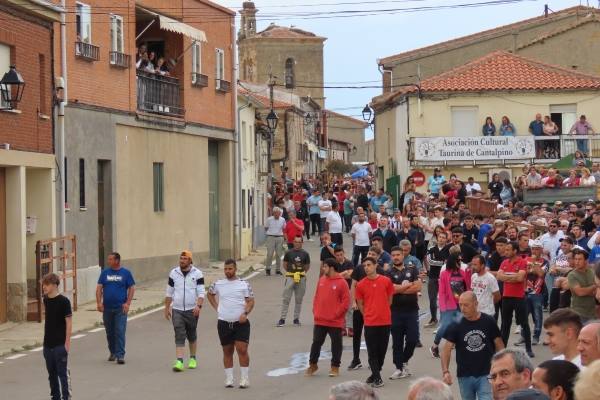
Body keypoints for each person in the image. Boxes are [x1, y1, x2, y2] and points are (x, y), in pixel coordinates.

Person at [441, 292, 504, 400]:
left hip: (487, 373)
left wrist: (501, 367)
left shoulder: (488, 321)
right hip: (465, 375)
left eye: (466, 305)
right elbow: (446, 348)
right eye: (460, 304)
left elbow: (499, 345)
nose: (462, 308)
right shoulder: (456, 323)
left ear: (476, 304)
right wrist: (445, 371)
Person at [206, 259, 254, 388]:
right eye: (226, 269)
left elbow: (250, 301)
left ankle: (244, 378)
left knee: (242, 349)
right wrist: (217, 308)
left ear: (235, 269)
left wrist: (246, 313)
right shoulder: (218, 284)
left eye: (230, 269)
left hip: (240, 323)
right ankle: (229, 378)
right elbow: (209, 294)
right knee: (227, 351)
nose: (228, 271)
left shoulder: (244, 284)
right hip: (224, 323)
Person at [305, 258, 350, 378]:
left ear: (331, 268)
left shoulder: (342, 282)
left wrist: (336, 314)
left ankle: (335, 367)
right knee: (316, 343)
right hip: (320, 319)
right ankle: (313, 364)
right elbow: (316, 297)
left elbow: (345, 303)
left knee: (336, 344)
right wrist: (315, 310)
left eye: (324, 266)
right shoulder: (321, 280)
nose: (322, 269)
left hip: (334, 321)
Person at [354, 257, 394, 388]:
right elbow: (360, 303)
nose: (366, 267)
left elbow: (390, 300)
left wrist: (382, 310)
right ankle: (377, 378)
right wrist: (367, 315)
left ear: (376, 265)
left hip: (385, 321)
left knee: (382, 351)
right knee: (372, 351)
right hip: (370, 322)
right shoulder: (360, 285)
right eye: (364, 265)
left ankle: (374, 373)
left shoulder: (386, 281)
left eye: (369, 265)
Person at [164, 251, 205, 372]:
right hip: (177, 309)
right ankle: (179, 361)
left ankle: (192, 358)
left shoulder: (197, 273)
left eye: (185, 259)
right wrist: (167, 308)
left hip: (192, 309)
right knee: (179, 333)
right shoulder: (174, 273)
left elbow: (201, 292)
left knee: (191, 334)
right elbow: (169, 292)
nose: (182, 260)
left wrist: (199, 306)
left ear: (190, 261)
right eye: (181, 258)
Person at [386, 246, 421, 380]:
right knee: (397, 341)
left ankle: (404, 360)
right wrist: (407, 286)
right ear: (391, 256)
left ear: (403, 256)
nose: (396, 257)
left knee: (412, 339)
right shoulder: (388, 273)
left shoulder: (412, 269)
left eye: (398, 255)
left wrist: (400, 288)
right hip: (395, 311)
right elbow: (391, 290)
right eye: (393, 255)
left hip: (412, 310)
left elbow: (417, 287)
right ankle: (398, 368)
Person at [96, 252, 135, 364]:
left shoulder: (126, 273)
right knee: (110, 332)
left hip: (120, 309)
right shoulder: (105, 273)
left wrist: (127, 303)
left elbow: (132, 288)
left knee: (120, 331)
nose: (108, 261)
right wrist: (99, 303)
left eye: (110, 259)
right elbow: (99, 288)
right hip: (107, 308)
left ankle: (120, 355)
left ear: (117, 261)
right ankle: (112, 352)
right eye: (108, 259)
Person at [497, 241, 534, 358]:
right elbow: (499, 276)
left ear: (515, 251)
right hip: (506, 297)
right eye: (505, 249)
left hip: (519, 297)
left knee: (524, 323)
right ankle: (502, 350)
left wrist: (507, 277)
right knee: (505, 324)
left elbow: (520, 278)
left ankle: (528, 348)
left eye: (508, 250)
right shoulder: (504, 262)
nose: (505, 251)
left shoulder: (522, 262)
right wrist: (513, 276)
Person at [430, 254, 470, 359]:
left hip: (461, 304)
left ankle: (459, 346)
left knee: (458, 325)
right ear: (453, 261)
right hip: (448, 305)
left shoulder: (463, 272)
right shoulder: (444, 274)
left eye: (460, 261)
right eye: (458, 261)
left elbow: (468, 287)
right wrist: (442, 307)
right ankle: (435, 345)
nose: (460, 263)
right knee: (444, 326)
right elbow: (442, 291)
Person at [42, 273, 72, 400]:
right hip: (47, 344)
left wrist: (67, 343)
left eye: (47, 284)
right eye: (43, 284)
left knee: (62, 374)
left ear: (54, 285)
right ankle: (55, 397)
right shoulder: (46, 299)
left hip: (60, 345)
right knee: (51, 374)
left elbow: (69, 322)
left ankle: (66, 397)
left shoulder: (64, 301)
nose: (44, 287)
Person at [278, 235, 311, 327]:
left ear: (302, 243)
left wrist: (300, 273)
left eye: (299, 242)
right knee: (286, 298)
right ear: (293, 242)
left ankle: (296, 319)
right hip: (290, 277)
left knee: (298, 299)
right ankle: (282, 319)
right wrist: (290, 272)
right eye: (296, 241)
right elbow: (285, 264)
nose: (297, 243)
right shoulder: (288, 252)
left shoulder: (305, 254)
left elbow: (307, 266)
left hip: (301, 277)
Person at [521, 241, 547, 345]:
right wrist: (531, 269)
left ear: (541, 250)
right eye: (533, 249)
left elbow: (541, 273)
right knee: (523, 315)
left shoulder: (545, 262)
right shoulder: (525, 260)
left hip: (538, 292)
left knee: (537, 316)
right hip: (525, 291)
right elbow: (523, 273)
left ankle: (536, 336)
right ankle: (523, 336)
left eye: (537, 248)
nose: (534, 251)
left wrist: (534, 264)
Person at [426, 231, 451, 327]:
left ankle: (443, 320)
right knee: (432, 299)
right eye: (440, 237)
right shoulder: (431, 248)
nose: (441, 239)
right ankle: (433, 319)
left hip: (444, 277)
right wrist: (443, 262)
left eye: (443, 237)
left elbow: (449, 263)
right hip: (432, 276)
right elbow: (430, 261)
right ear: (437, 238)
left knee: (443, 300)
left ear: (446, 239)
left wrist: (444, 262)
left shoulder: (448, 249)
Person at [567, 248, 597, 321]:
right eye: (575, 259)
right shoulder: (572, 275)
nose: (577, 262)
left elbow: (596, 293)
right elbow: (580, 292)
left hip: (593, 313)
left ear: (586, 261)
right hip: (578, 313)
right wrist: (595, 286)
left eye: (580, 259)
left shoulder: (592, 272)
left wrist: (587, 290)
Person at [334, 247, 355, 336]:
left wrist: (339, 275)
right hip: (337, 289)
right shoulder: (334, 264)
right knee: (340, 309)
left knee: (349, 309)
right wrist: (344, 273)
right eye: (337, 255)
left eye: (341, 254)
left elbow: (350, 275)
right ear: (335, 255)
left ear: (344, 253)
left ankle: (350, 328)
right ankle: (341, 327)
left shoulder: (349, 263)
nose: (339, 257)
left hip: (348, 288)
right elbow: (332, 276)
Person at [264, 207, 286, 275]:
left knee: (278, 254)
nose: (277, 214)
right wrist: (271, 232)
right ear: (273, 213)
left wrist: (284, 237)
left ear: (280, 213)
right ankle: (268, 268)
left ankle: (278, 269)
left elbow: (284, 228)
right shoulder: (269, 219)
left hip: (279, 237)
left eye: (278, 213)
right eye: (275, 213)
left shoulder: (282, 219)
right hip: (271, 237)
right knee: (270, 254)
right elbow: (266, 227)